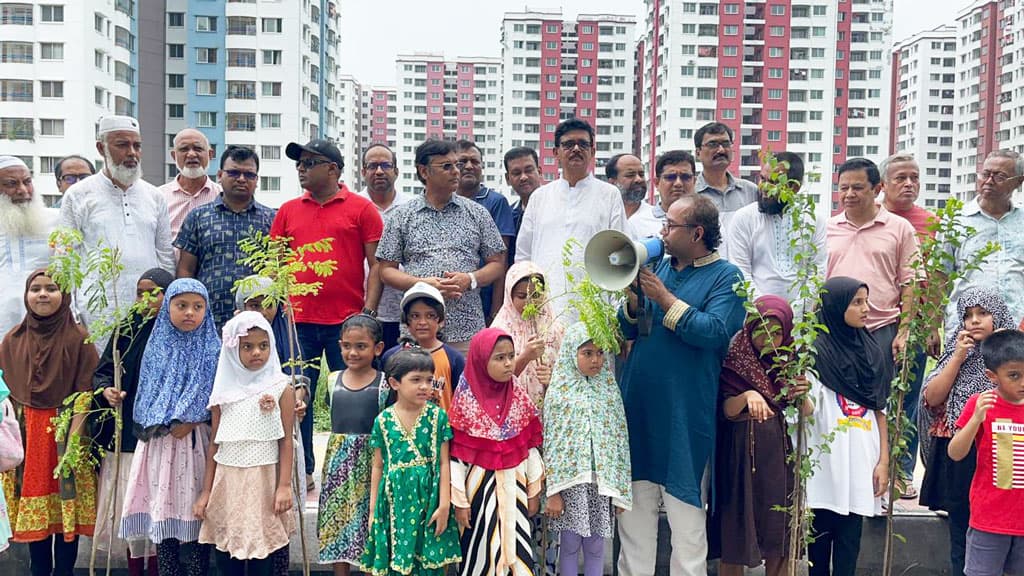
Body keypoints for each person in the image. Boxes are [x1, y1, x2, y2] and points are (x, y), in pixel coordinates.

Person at [616, 195, 746, 576]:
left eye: (671, 226)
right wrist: (634, 304)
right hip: (639, 406)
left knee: (687, 522)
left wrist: (664, 298)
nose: (663, 232)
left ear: (697, 233)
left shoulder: (727, 277)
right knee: (633, 517)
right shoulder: (655, 264)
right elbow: (625, 330)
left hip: (685, 412)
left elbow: (714, 331)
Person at [273, 138, 384, 488]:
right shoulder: (288, 210)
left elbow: (376, 265)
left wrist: (367, 312)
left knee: (353, 396)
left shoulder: (362, 209)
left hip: (347, 324)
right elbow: (277, 266)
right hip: (298, 323)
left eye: (309, 162)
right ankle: (302, 471)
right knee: (295, 395)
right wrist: (282, 308)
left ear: (333, 169)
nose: (301, 168)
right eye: (299, 163)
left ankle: (354, 471)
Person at [0, 270, 100, 576]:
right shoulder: (12, 340)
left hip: (67, 435)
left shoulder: (79, 338)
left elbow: (86, 394)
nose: (43, 294)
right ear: (26, 295)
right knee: (37, 523)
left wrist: (72, 444)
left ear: (64, 296)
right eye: (36, 289)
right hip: (27, 440)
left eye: (52, 288)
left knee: (65, 516)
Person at [119, 279, 220, 575]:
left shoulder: (214, 349)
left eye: (197, 307)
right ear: (168, 307)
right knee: (163, 512)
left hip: (197, 442)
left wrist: (191, 418)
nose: (189, 312)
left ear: (206, 310)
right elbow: (149, 391)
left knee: (196, 516)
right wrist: (164, 420)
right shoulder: (157, 345)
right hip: (160, 444)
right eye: (181, 305)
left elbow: (214, 393)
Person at [709, 296, 813, 576]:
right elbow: (726, 410)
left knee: (778, 528)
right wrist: (748, 395)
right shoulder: (736, 357)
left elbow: (807, 410)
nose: (768, 338)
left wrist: (803, 393)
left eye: (777, 332)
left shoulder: (787, 363)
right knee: (735, 529)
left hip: (777, 457)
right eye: (761, 330)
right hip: (739, 457)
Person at [919, 287, 1015, 576]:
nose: (974, 321)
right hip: (960, 451)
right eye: (968, 315)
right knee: (962, 528)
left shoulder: (1014, 356)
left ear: (997, 315)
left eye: (982, 313)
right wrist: (958, 357)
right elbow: (932, 398)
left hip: (1004, 451)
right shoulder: (955, 350)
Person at [376, 139, 506, 354]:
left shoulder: (477, 213)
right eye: (446, 166)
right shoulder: (402, 215)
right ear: (424, 171)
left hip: (467, 328)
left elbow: (497, 263)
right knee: (417, 386)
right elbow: (386, 270)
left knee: (464, 388)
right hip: (418, 331)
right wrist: (422, 284)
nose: (456, 171)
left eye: (457, 165)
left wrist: (470, 280)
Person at [195, 312, 296, 574]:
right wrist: (206, 492)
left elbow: (286, 440)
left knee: (263, 551)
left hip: (264, 482)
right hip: (228, 482)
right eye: (247, 346)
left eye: (263, 346)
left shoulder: (281, 387)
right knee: (228, 551)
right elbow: (214, 445)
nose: (256, 353)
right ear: (232, 350)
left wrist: (284, 485)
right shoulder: (222, 393)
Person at [806, 277, 891, 576]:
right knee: (817, 545)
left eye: (866, 301)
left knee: (849, 545)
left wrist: (884, 460)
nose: (865, 309)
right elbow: (807, 409)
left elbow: (880, 410)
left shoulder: (872, 351)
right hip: (824, 465)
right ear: (835, 305)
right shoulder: (814, 352)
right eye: (856, 302)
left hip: (860, 462)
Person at [60, 116, 175, 331]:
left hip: (148, 310)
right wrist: (73, 317)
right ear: (101, 148)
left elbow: (165, 257)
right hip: (95, 314)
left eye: (137, 145)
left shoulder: (154, 196)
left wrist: (167, 307)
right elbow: (66, 260)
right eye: (122, 145)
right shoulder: (78, 196)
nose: (132, 152)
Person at [92, 268, 173, 574]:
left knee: (159, 514)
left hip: (162, 436)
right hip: (127, 436)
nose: (146, 299)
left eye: (154, 292)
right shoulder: (126, 328)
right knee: (133, 512)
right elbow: (102, 371)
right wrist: (106, 390)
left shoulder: (177, 330)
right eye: (141, 293)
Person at [449, 328, 544, 576]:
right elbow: (456, 460)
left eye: (511, 356)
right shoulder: (465, 404)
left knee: (519, 555)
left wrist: (534, 490)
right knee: (481, 555)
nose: (508, 364)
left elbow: (530, 449)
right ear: (480, 360)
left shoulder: (518, 398)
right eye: (499, 358)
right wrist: (459, 502)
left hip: (516, 492)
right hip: (479, 497)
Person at [360, 348, 462, 575]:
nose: (425, 386)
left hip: (429, 500)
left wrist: (444, 503)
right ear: (395, 383)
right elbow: (378, 465)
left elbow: (444, 462)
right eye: (416, 380)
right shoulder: (383, 420)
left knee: (430, 562)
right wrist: (373, 510)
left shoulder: (437, 417)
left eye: (429, 380)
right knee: (397, 560)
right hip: (394, 501)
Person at [515, 118, 630, 319]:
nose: (576, 149)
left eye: (583, 144)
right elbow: (523, 257)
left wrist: (615, 314)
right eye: (568, 144)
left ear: (593, 152)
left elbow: (621, 256)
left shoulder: (609, 195)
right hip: (545, 308)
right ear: (556, 153)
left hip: (595, 310)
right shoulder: (540, 197)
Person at [543, 322, 632, 576]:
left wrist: (619, 489)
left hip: (600, 484)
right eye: (588, 353)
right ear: (572, 353)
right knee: (569, 544)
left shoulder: (609, 391)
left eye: (601, 353)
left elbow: (618, 441)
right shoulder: (559, 392)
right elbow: (552, 443)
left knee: (596, 545)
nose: (596, 360)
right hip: (571, 484)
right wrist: (554, 491)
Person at [826, 157, 919, 378]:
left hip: (880, 329)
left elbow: (910, 283)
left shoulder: (900, 228)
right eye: (844, 188)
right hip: (835, 332)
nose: (849, 194)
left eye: (858, 188)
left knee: (880, 402)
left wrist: (904, 332)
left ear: (877, 189)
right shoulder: (827, 229)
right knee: (834, 403)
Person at [879, 152, 938, 498]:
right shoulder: (871, 219)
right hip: (874, 324)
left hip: (912, 328)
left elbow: (936, 280)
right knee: (874, 397)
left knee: (908, 399)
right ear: (883, 184)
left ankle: (902, 472)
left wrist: (930, 323)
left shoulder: (930, 224)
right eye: (901, 178)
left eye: (914, 178)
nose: (909, 184)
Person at [947, 329, 1024, 576]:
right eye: (1014, 375)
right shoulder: (981, 403)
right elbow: (955, 453)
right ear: (992, 376)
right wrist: (975, 420)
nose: (1023, 382)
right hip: (989, 519)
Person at [176, 146, 276, 329]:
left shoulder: (271, 220)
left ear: (257, 180)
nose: (241, 179)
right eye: (234, 173)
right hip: (208, 320)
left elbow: (275, 272)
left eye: (249, 175)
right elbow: (185, 271)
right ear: (220, 175)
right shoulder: (198, 217)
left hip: (257, 322)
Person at [318, 315, 388, 575]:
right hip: (337, 466)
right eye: (347, 346)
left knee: (367, 524)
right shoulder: (332, 380)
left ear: (377, 348)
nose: (353, 352)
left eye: (361, 346)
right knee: (338, 524)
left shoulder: (384, 384)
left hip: (371, 464)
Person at [725, 151, 827, 305]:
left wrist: (797, 312)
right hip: (757, 316)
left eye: (773, 182)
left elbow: (817, 272)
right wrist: (767, 312)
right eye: (762, 179)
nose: (764, 187)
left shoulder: (813, 220)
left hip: (802, 319)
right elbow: (740, 271)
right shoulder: (744, 218)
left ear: (794, 187)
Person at [943, 149, 1024, 337]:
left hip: (1015, 325)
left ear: (1019, 181)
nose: (989, 181)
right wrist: (931, 326)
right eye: (986, 174)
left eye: (999, 177)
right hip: (966, 326)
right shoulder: (955, 219)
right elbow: (940, 274)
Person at [358, 144, 413, 350]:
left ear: (396, 171)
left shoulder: (411, 207)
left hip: (402, 308)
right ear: (363, 172)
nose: (379, 171)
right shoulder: (354, 206)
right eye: (372, 166)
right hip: (361, 308)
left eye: (385, 165)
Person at [381, 282, 466, 412]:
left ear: (441, 321)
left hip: (440, 430)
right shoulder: (392, 356)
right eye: (415, 316)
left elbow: (460, 400)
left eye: (430, 316)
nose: (422, 322)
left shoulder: (454, 358)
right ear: (406, 321)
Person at [456, 140, 515, 322]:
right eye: (462, 162)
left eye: (475, 162)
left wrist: (496, 309)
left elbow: (501, 259)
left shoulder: (495, 202)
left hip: (485, 297)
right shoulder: (443, 202)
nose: (469, 166)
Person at [489, 261, 562, 409]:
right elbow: (492, 380)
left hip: (549, 408)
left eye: (536, 295)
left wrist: (553, 379)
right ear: (510, 296)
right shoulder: (499, 331)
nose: (530, 302)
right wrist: (524, 357)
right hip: (512, 410)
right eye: (522, 296)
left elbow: (569, 374)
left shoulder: (555, 329)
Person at [0, 156, 59, 335]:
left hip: (48, 321)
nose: (23, 190)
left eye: (27, 181)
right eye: (11, 184)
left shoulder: (57, 220)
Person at [692, 122, 758, 231]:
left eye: (726, 144)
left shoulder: (750, 191)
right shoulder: (690, 193)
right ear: (698, 153)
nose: (721, 150)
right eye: (713, 144)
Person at [159, 128, 221, 243]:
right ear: (174, 156)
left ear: (210, 154)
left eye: (198, 148)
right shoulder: (158, 197)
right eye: (184, 149)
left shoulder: (222, 197)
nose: (191, 154)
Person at [607, 153, 661, 239]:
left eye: (641, 174)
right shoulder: (601, 217)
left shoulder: (656, 219)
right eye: (630, 175)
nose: (639, 179)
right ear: (612, 182)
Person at [504, 147, 543, 266]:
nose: (523, 177)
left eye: (529, 170)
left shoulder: (556, 208)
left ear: (540, 171)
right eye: (516, 173)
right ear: (507, 179)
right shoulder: (508, 216)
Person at [652, 150, 697, 220]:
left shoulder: (708, 220)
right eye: (670, 177)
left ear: (694, 182)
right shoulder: (638, 224)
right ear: (657, 183)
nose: (678, 183)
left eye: (685, 177)